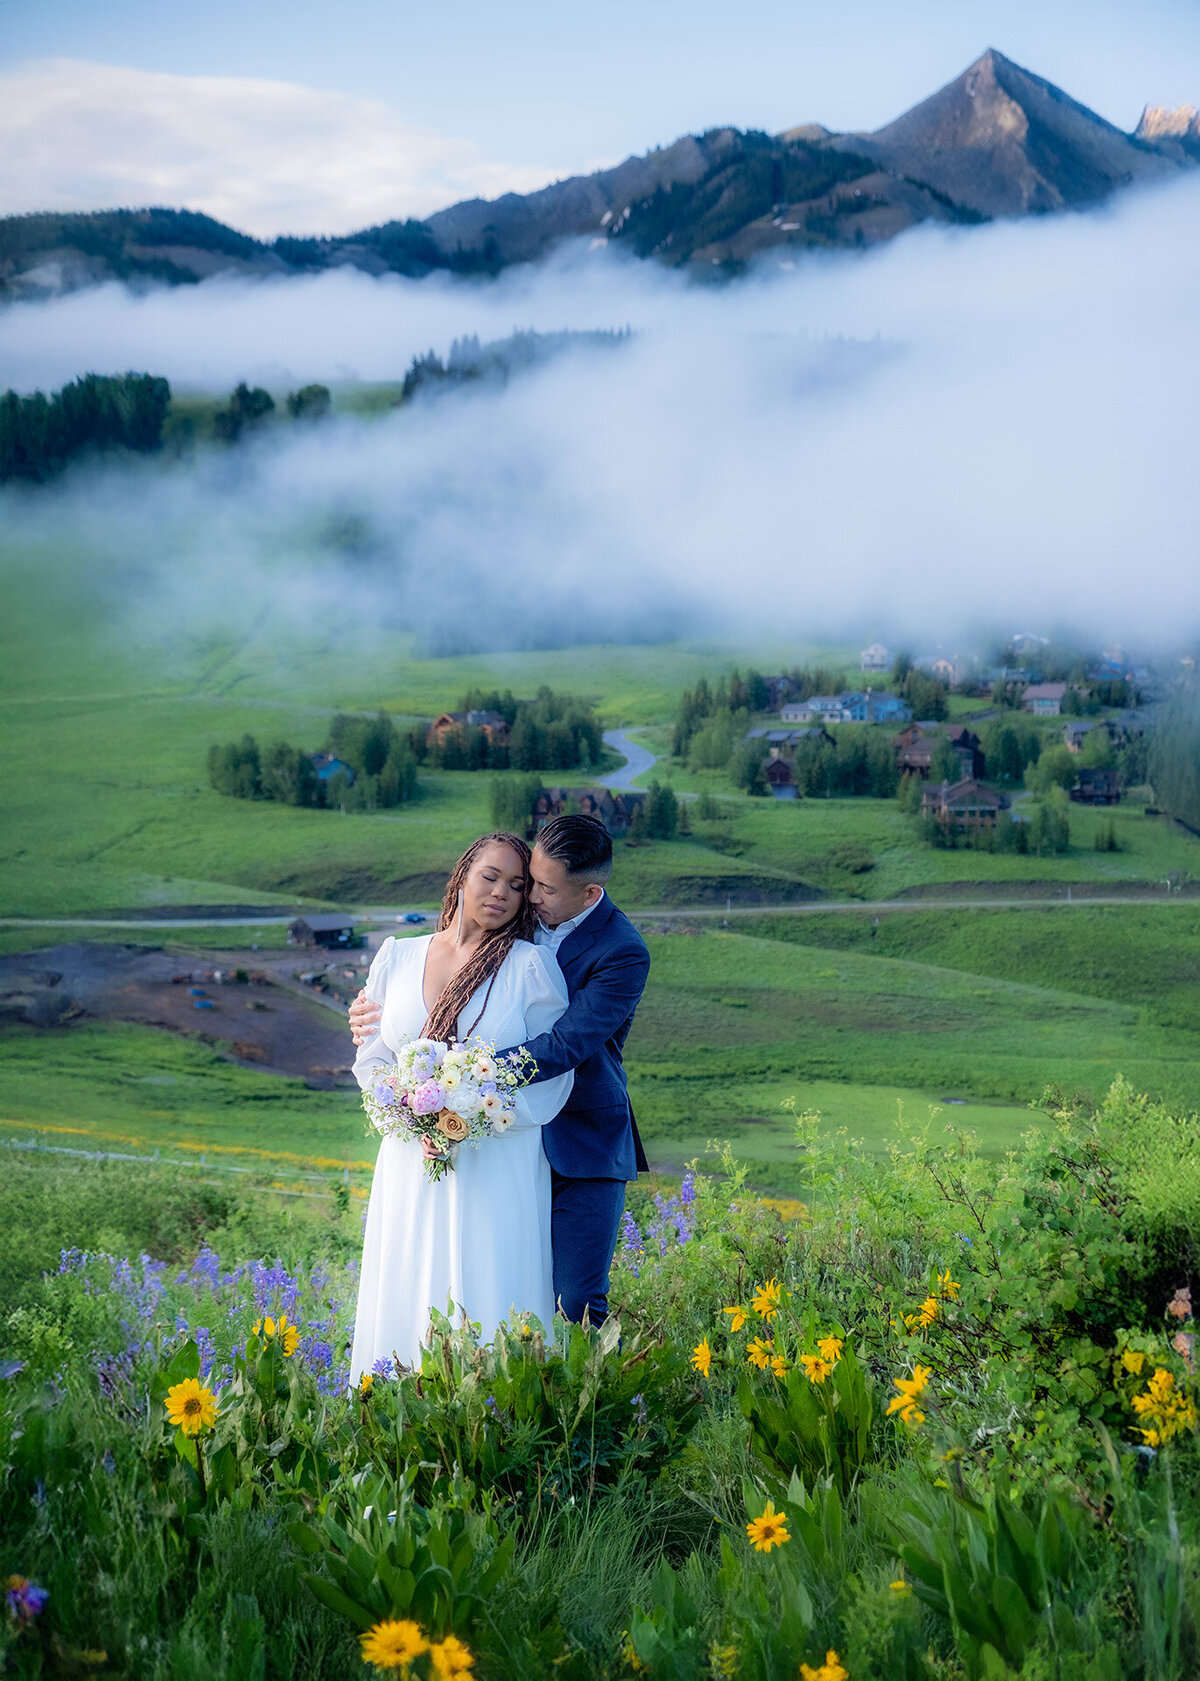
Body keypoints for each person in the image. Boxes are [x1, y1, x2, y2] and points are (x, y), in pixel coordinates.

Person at [351, 814, 650, 1327]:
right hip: (491, 1146)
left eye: (543, 888)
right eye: (528, 880)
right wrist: (371, 1013)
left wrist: (458, 1081)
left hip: (579, 1139)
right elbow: (446, 966)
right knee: (482, 1283)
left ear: (587, 893)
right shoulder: (515, 912)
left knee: (575, 1301)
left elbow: (565, 1045)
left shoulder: (622, 951)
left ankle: (592, 1384)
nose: (528, 895)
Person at [347, 831, 573, 1381]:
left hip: (494, 1160)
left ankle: (494, 1408)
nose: (500, 893)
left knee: (486, 1281)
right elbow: (373, 1057)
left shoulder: (529, 967)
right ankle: (397, 1404)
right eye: (489, 877)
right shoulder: (398, 956)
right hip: (409, 1159)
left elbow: (550, 1076)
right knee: (407, 1278)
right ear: (462, 877)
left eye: (516, 886)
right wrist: (412, 1116)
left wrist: (467, 1117)